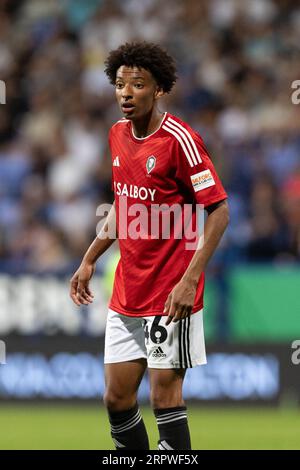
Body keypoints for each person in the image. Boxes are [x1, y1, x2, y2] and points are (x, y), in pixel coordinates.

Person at [70, 41, 229, 451]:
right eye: (120, 84)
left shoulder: (180, 140)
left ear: (158, 90)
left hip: (171, 292)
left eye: (137, 84)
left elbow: (219, 211)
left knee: (164, 399)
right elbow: (124, 205)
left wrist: (190, 280)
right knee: (116, 400)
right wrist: (89, 260)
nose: (125, 92)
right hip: (128, 291)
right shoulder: (117, 135)